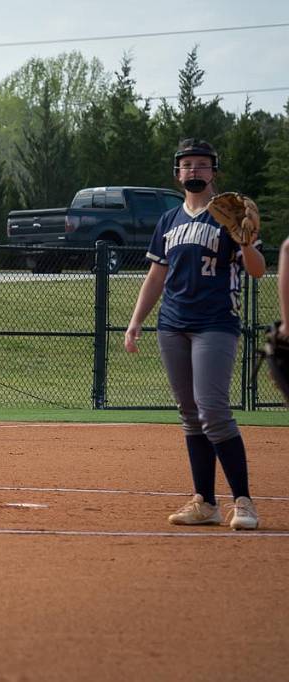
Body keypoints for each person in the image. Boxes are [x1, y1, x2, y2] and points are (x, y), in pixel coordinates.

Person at [124, 138, 266, 530]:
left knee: (213, 410)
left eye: (202, 165)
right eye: (187, 166)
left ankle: (245, 502)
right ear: (177, 173)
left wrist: (246, 241)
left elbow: (256, 270)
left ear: (213, 172)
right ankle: (205, 502)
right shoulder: (169, 221)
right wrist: (136, 321)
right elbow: (156, 275)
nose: (194, 171)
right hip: (172, 325)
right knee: (190, 414)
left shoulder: (229, 215)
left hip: (215, 323)